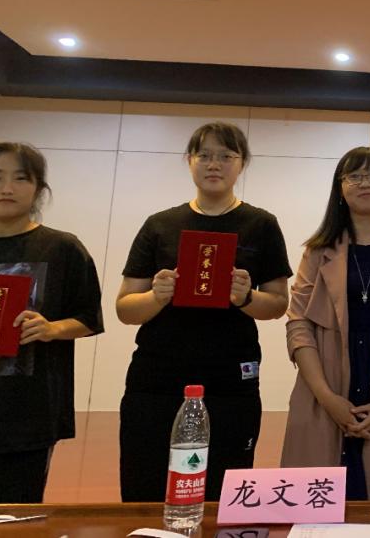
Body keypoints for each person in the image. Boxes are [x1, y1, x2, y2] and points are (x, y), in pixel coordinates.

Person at [116, 121, 291, 502]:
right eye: (204, 155)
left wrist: (245, 298)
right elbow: (125, 308)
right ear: (189, 161)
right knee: (144, 487)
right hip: (157, 378)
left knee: (223, 491)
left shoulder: (261, 224)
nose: (214, 164)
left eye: (226, 156)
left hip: (230, 381)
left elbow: (279, 304)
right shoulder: (160, 225)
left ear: (242, 163)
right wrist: (157, 297)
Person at [0, 142, 103, 503]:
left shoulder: (62, 249)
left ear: (38, 189)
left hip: (25, 417)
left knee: (12, 519)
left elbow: (89, 317)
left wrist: (52, 329)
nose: (7, 188)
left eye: (21, 178)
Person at [281, 147, 370, 500]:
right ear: (340, 187)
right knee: (316, 508)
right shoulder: (317, 251)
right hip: (325, 388)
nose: (365, 183)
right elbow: (298, 326)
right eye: (355, 176)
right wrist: (327, 398)